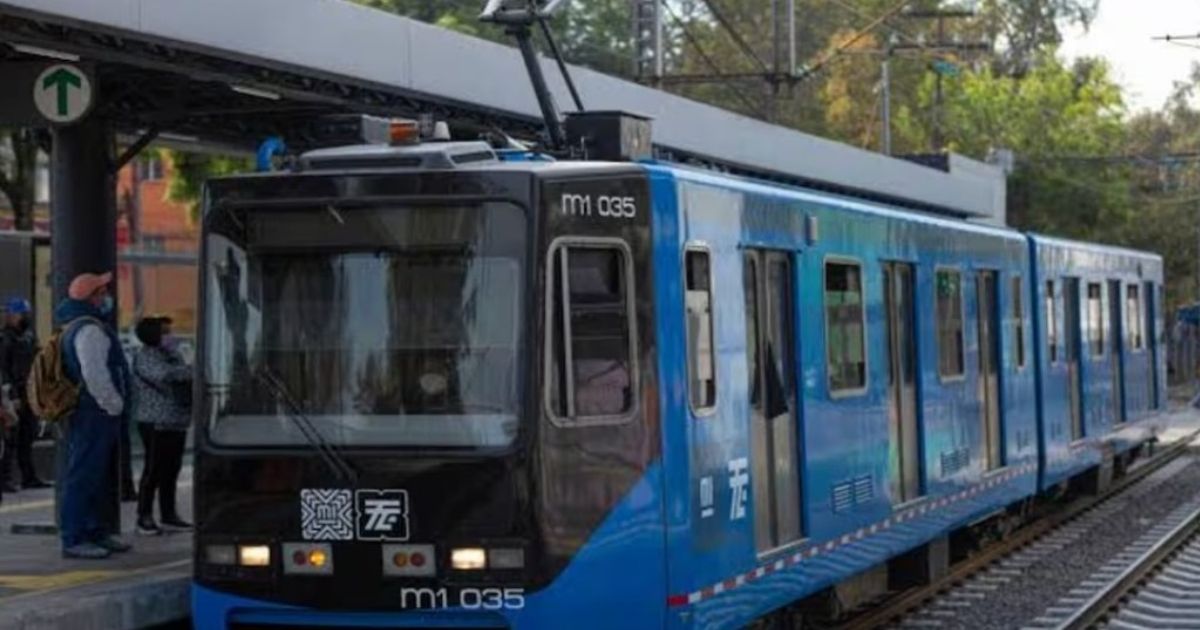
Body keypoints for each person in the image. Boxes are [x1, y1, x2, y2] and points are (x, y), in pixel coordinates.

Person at [57, 272, 132, 559]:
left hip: (92, 410)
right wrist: (113, 404)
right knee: (83, 474)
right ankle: (75, 537)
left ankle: (95, 531)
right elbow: (95, 374)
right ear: (92, 297)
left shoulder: (76, 326)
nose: (107, 297)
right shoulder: (90, 330)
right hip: (94, 411)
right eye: (102, 292)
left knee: (95, 474)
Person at [131, 316, 192, 535]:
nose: (169, 336)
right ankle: (144, 516)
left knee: (172, 470)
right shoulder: (145, 357)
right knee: (153, 470)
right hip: (154, 422)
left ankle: (169, 514)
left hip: (176, 421)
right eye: (165, 332)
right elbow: (165, 376)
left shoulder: (172, 354)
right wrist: (193, 370)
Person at [0, 298, 50, 491]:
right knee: (10, 438)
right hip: (13, 393)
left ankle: (29, 476)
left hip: (30, 391)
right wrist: (11, 396)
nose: (25, 317)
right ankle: (5, 479)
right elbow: (4, 369)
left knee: (28, 436)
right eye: (21, 314)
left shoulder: (29, 336)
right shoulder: (5, 339)